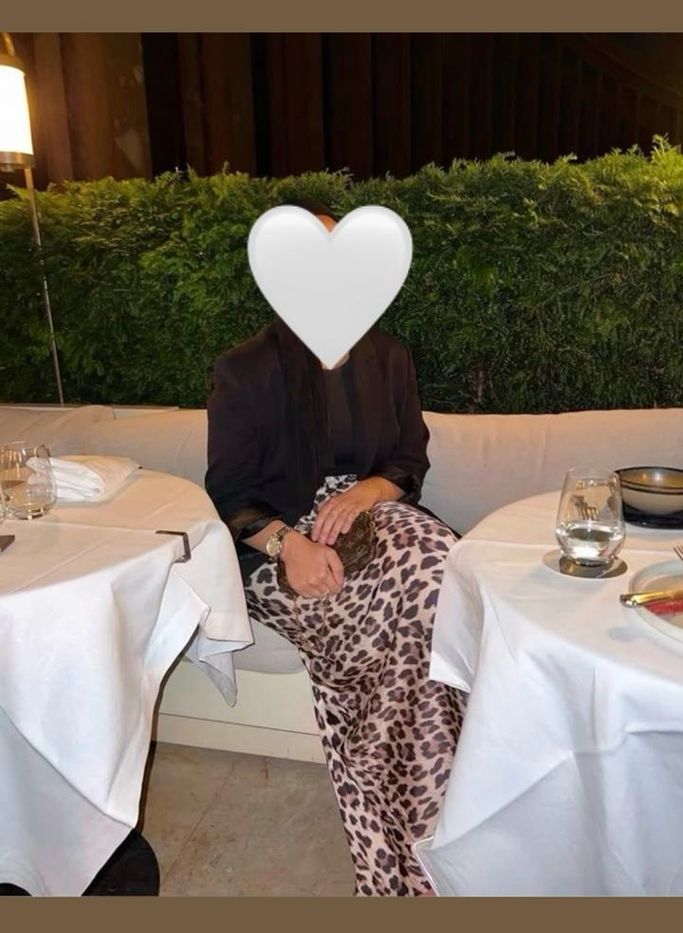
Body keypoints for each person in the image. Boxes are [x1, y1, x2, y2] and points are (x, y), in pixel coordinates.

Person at [205, 198, 465, 896]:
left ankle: (430, 837)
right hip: (280, 541)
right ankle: (417, 849)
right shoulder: (246, 368)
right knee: (400, 634)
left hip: (375, 519)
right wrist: (287, 544)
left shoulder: (389, 356)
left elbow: (409, 457)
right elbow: (228, 490)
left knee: (441, 571)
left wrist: (371, 491)